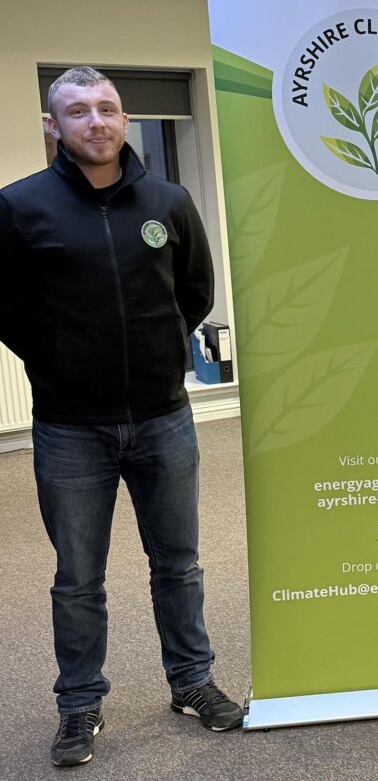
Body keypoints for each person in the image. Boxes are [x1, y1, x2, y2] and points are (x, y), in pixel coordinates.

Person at [0, 66, 243, 767]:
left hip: (164, 417)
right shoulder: (20, 208)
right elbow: (8, 306)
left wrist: (162, 349)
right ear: (54, 126)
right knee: (78, 575)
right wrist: (57, 358)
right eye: (78, 111)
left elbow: (194, 288)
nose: (96, 121)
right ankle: (79, 703)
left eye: (107, 107)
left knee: (179, 563)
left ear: (124, 117)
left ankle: (191, 680)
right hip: (71, 427)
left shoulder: (168, 200)